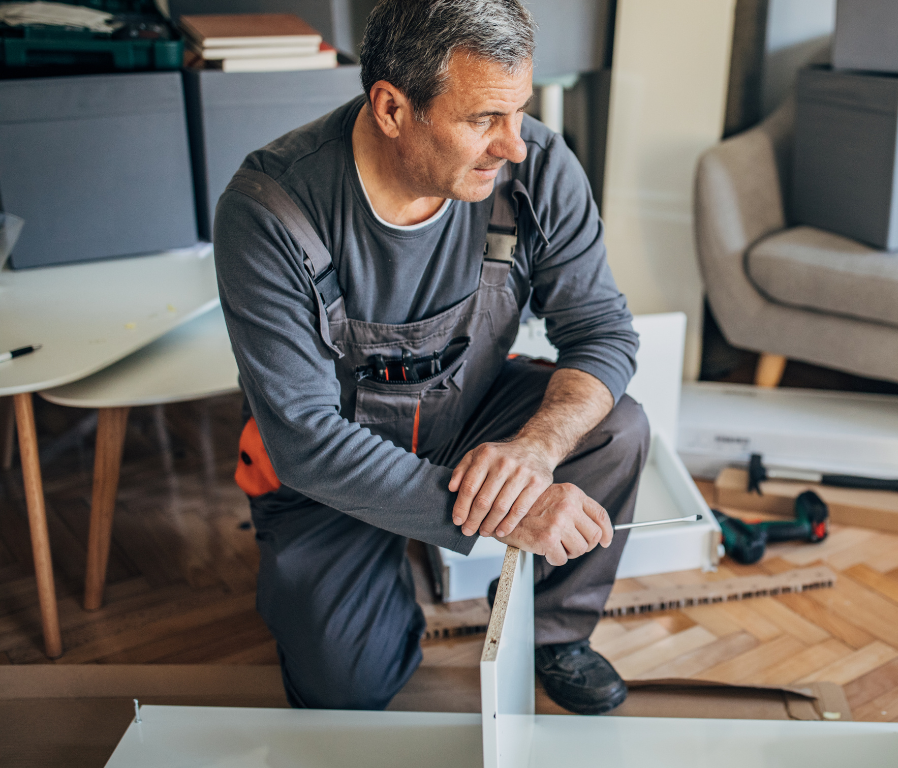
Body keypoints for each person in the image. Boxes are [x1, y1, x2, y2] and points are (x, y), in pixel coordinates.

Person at [214, 0, 645, 716]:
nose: (513, 145)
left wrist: (534, 453)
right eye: (482, 119)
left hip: (466, 413)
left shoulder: (537, 170)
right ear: (391, 108)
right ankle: (386, 581)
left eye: (518, 113)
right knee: (346, 689)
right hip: (330, 473)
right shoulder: (270, 211)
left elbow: (601, 331)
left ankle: (554, 633)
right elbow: (303, 439)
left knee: (613, 428)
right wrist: (505, 514)